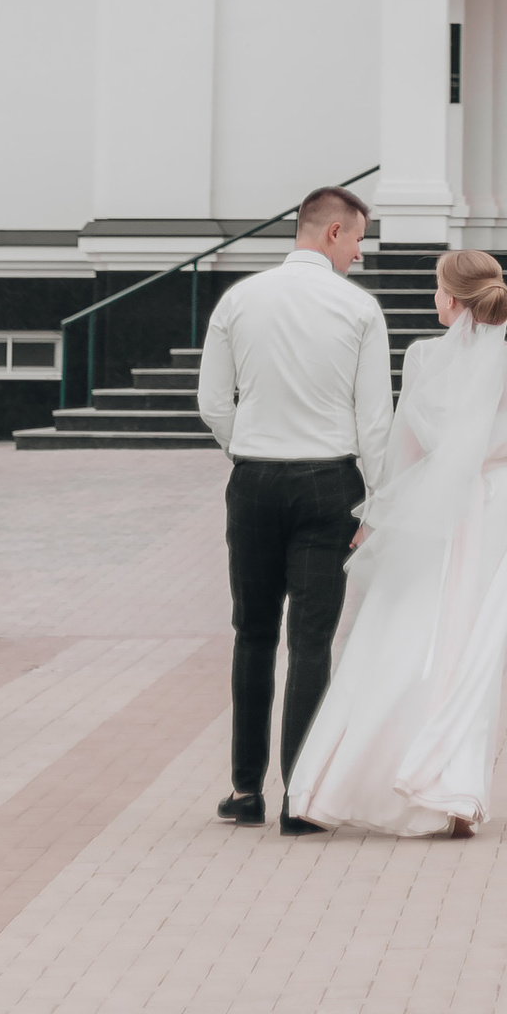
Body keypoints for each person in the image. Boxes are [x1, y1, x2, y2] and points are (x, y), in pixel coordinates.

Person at [282, 246, 507, 841]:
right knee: (474, 644)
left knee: (406, 631)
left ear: (452, 300)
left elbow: (405, 450)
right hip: (501, 502)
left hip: (436, 503)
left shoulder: (424, 357)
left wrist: (376, 517)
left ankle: (369, 774)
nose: (434, 298)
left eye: (436, 289)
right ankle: (455, 787)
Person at [198, 183, 391, 836]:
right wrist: (376, 504)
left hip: (253, 482)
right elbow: (376, 423)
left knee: (252, 635)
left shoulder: (238, 300)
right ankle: (299, 799)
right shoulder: (360, 311)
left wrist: (246, 450)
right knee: (311, 644)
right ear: (333, 233)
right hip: (328, 486)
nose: (360, 255)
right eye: (359, 239)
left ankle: (245, 791)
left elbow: (213, 402)